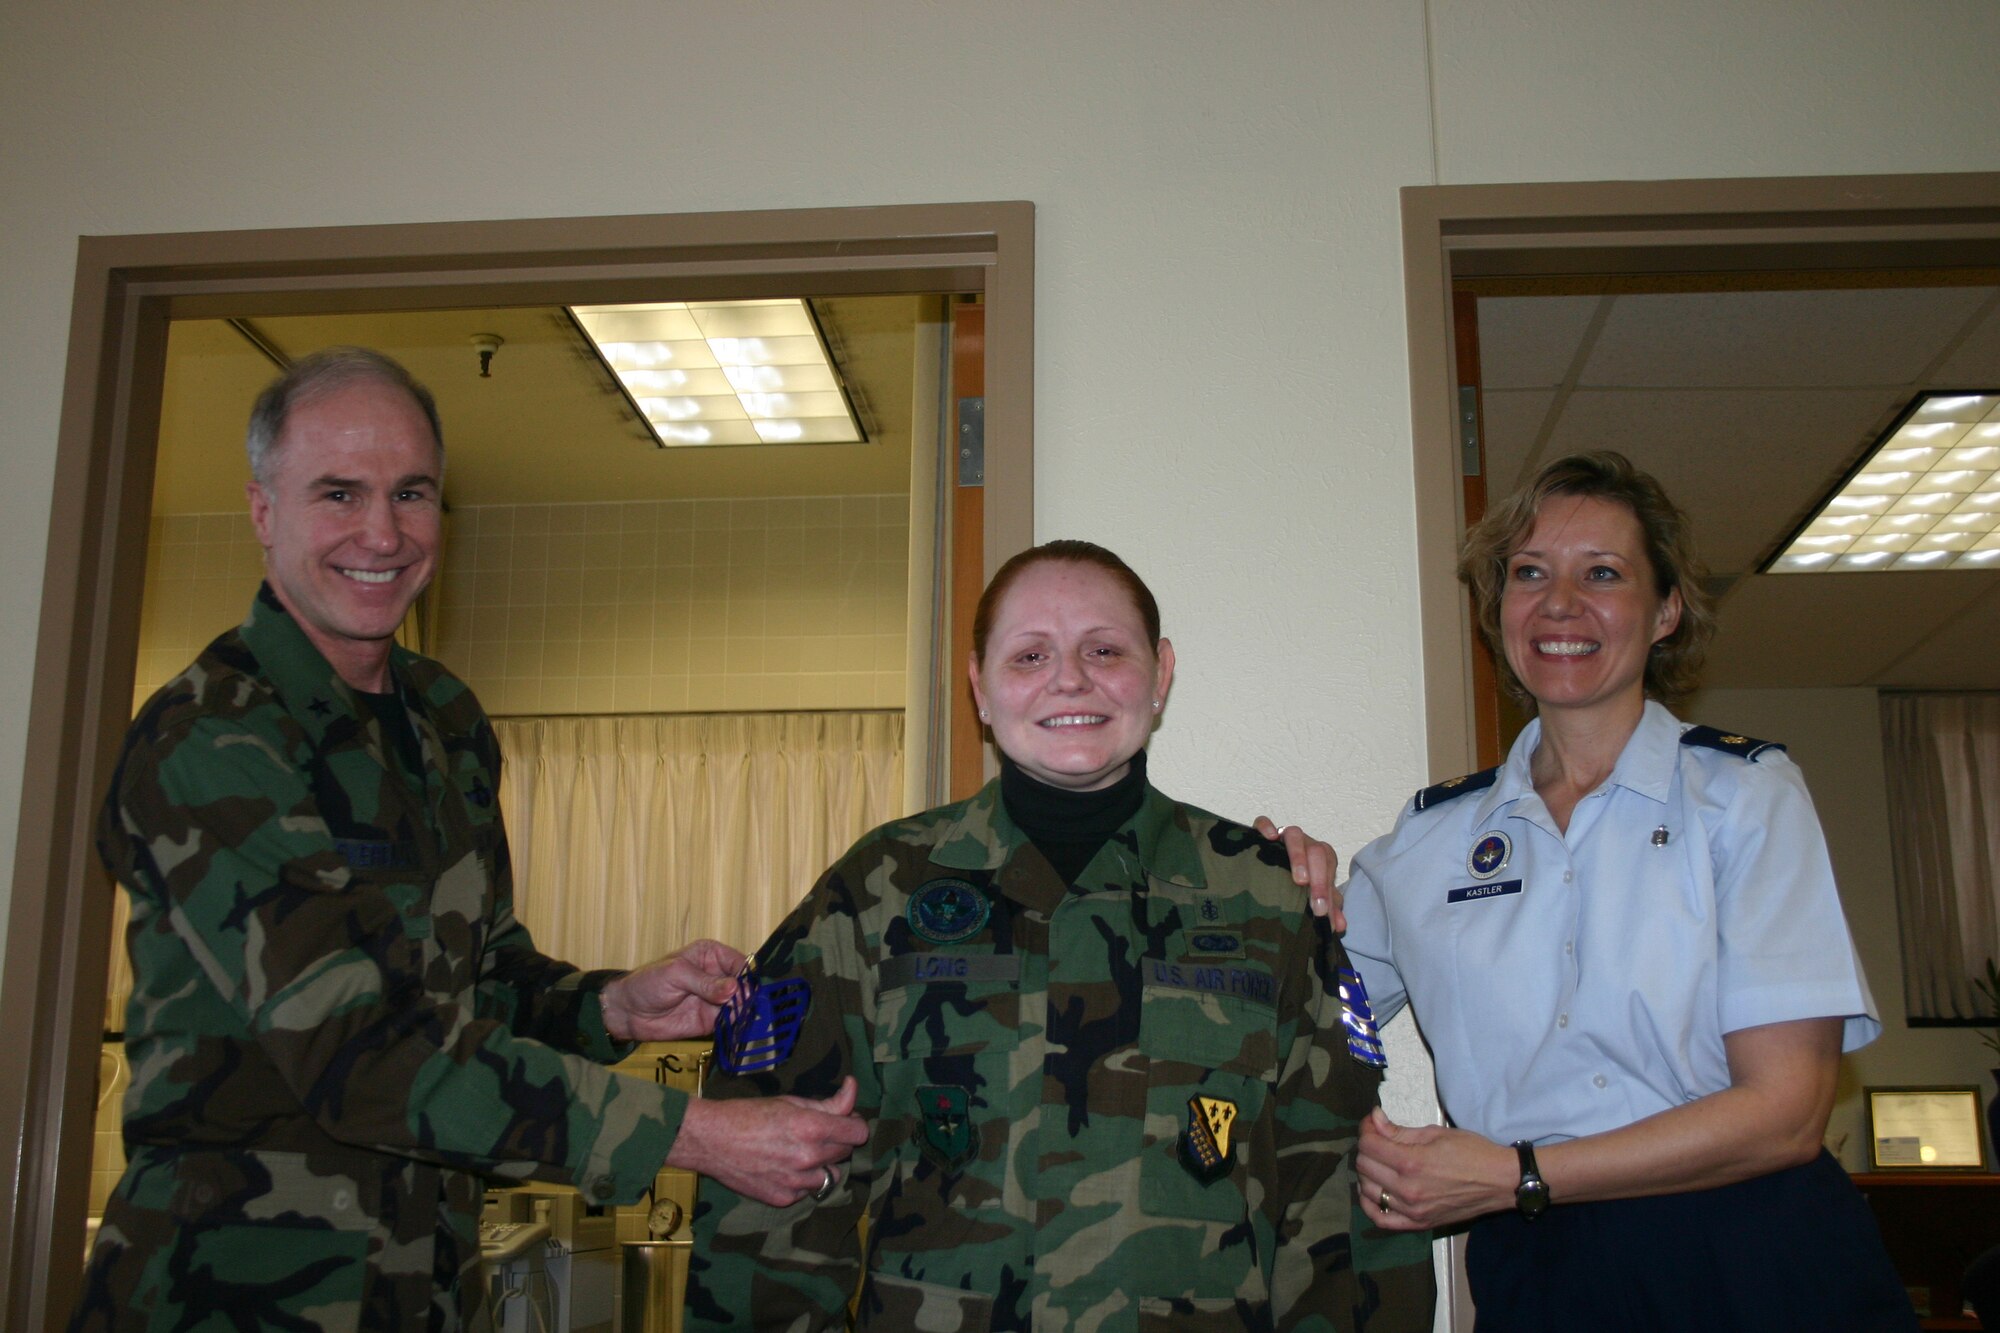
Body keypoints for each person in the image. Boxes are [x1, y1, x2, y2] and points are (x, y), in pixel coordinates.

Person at [72, 348, 867, 1333]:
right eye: (338, 493)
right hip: (225, 1293)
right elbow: (356, 1055)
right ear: (263, 510)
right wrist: (693, 1134)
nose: (382, 531)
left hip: (425, 1284)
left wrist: (608, 1005)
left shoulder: (443, 722)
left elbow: (473, 988)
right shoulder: (212, 737)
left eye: (412, 493)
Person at [685, 540, 1435, 1332]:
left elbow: (1342, 1194)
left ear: (1161, 674)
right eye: (1030, 654)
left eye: (1104, 650)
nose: (1069, 678)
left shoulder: (1265, 898)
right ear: (979, 685)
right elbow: (763, 1185)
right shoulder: (874, 892)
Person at [1342, 451, 1913, 1330]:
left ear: (1667, 610)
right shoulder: (1428, 841)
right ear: (1498, 610)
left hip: (1753, 1251)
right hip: (1542, 1269)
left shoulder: (1742, 797)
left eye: (1601, 573)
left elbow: (1787, 1113)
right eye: (1529, 573)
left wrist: (1518, 1171)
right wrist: (1270, 877)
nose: (1559, 603)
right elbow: (1315, 1007)